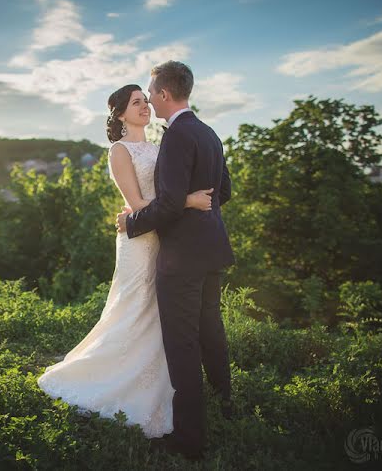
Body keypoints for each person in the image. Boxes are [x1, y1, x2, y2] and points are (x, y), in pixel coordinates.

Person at [36, 82, 214, 441]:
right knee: (134, 308)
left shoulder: (160, 146)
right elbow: (136, 205)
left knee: (159, 313)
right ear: (120, 114)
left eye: (146, 101)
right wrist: (190, 202)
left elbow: (166, 194)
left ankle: (159, 388)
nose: (145, 106)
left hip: (166, 239)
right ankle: (107, 380)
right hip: (139, 240)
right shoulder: (119, 151)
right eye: (137, 103)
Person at [116, 61, 235, 459]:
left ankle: (190, 441)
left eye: (150, 92)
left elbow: (167, 206)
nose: (149, 98)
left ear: (165, 94)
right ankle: (226, 404)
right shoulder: (208, 132)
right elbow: (225, 191)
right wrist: (200, 207)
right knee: (211, 331)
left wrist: (132, 223)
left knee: (182, 345)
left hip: (182, 258)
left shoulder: (176, 137)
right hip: (212, 249)